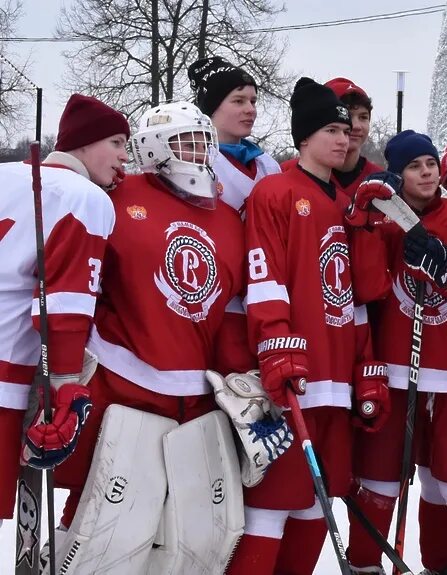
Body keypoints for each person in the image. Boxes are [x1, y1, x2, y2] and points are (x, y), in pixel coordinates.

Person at [46, 101, 261, 572]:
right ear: (153, 147)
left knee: (192, 532)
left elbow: (231, 310)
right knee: (104, 516)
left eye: (204, 142)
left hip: (197, 395)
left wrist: (243, 375)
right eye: (186, 141)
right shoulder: (115, 196)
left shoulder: (228, 217)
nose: (198, 154)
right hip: (123, 379)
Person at [227, 77, 390, 575]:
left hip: (336, 381)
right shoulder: (275, 191)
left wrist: (365, 364)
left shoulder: (345, 204)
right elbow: (264, 274)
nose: (343, 139)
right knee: (272, 505)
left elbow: (357, 297)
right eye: (330, 130)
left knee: (316, 503)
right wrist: (275, 341)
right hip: (293, 378)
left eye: (346, 129)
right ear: (303, 137)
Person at [346, 130, 447, 575]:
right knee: (377, 485)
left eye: (432, 163)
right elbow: (370, 288)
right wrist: (367, 225)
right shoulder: (385, 219)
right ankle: (362, 566)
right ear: (398, 173)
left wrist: (446, 272)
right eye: (415, 166)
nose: (428, 172)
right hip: (394, 373)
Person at [0, 94, 127, 531]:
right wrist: (64, 387)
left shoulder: (5, 175)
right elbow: (64, 305)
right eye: (116, 142)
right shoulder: (83, 196)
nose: (124, 157)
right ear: (86, 143)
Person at [188, 56, 282, 214]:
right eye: (239, 101)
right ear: (212, 107)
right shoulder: (196, 161)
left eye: (253, 101)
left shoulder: (268, 165)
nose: (250, 110)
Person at [282, 76, 384, 198]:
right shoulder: (285, 172)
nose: (356, 126)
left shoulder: (379, 180)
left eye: (363, 117)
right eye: (348, 116)